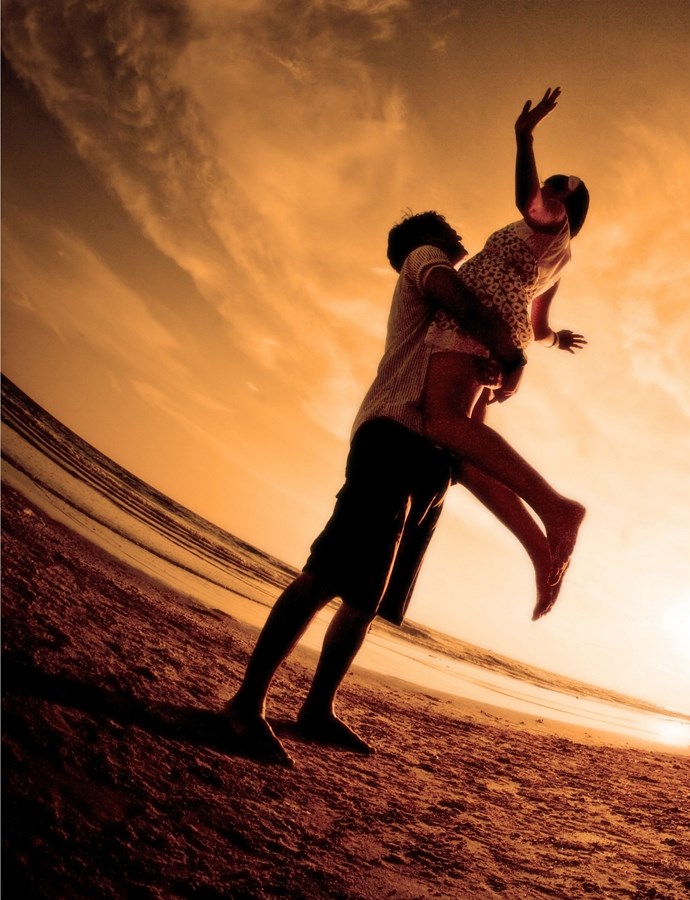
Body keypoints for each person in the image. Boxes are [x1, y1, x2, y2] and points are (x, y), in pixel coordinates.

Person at [224, 211, 526, 766]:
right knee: (325, 574)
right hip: (393, 435)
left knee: (367, 597)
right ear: (424, 238)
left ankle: (317, 709)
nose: (458, 235)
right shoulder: (422, 260)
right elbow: (461, 301)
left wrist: (489, 374)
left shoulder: (446, 314)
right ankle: (245, 704)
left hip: (428, 454)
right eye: (446, 227)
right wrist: (510, 351)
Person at [416, 87, 590, 621]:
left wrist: (524, 136)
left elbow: (526, 199)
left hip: (481, 317)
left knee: (441, 421)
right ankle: (541, 553)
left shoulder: (549, 221)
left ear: (567, 204)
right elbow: (537, 326)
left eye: (557, 187)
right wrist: (556, 340)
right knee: (467, 461)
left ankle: (557, 508)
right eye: (550, 183)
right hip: (504, 329)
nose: (548, 189)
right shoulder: (556, 257)